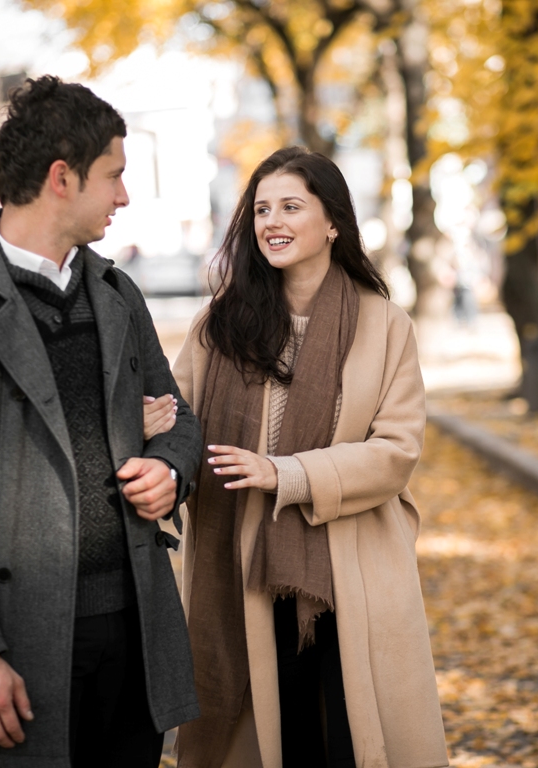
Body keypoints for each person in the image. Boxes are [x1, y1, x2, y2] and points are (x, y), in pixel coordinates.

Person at [0, 75, 202, 768]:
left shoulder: (117, 294)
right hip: (22, 646)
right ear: (63, 178)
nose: (123, 195)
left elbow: (180, 417)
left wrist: (172, 468)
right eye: (114, 176)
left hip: (136, 632)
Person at [167, 147, 448, 768]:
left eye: (292, 206)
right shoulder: (219, 326)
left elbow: (395, 451)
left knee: (351, 738)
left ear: (333, 223)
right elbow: (177, 424)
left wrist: (285, 473)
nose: (273, 222)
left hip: (352, 570)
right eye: (262, 209)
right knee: (280, 742)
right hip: (244, 566)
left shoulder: (383, 324)